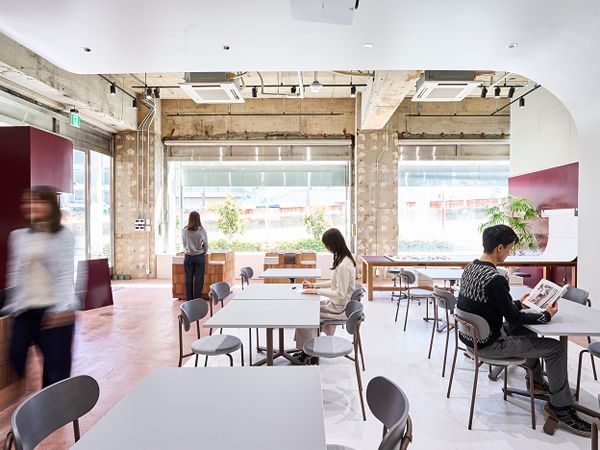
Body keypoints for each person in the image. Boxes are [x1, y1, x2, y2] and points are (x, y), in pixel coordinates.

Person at [457, 224, 591, 436]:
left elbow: (489, 306)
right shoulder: (495, 279)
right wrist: (546, 315)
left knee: (527, 332)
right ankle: (560, 408)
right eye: (509, 248)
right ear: (500, 248)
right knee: (555, 349)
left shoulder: (470, 269)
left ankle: (536, 382)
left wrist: (518, 304)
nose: (509, 254)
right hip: (491, 344)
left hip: (473, 338)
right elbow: (514, 319)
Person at [4, 186, 77, 388]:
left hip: (55, 310)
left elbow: (65, 274)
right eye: (28, 202)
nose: (32, 206)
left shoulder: (63, 235)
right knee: (15, 355)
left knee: (55, 372)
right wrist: (12, 305)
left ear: (51, 206)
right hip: (26, 309)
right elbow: (15, 270)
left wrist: (62, 308)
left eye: (39, 201)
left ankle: (53, 405)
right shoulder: (18, 236)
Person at [294, 228, 356, 363]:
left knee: (306, 315)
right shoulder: (342, 259)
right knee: (307, 309)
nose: (326, 248)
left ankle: (307, 353)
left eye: (326, 244)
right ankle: (308, 350)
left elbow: (340, 293)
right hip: (336, 304)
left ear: (333, 244)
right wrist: (314, 285)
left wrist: (317, 291)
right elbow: (334, 283)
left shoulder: (344, 265)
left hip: (340, 309)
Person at [182, 211, 208, 301]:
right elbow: (206, 244)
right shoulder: (202, 230)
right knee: (199, 278)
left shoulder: (185, 230)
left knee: (188, 278)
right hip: (199, 256)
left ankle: (189, 300)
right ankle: (197, 299)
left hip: (188, 256)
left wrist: (188, 249)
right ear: (198, 219)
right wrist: (203, 252)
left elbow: (184, 243)